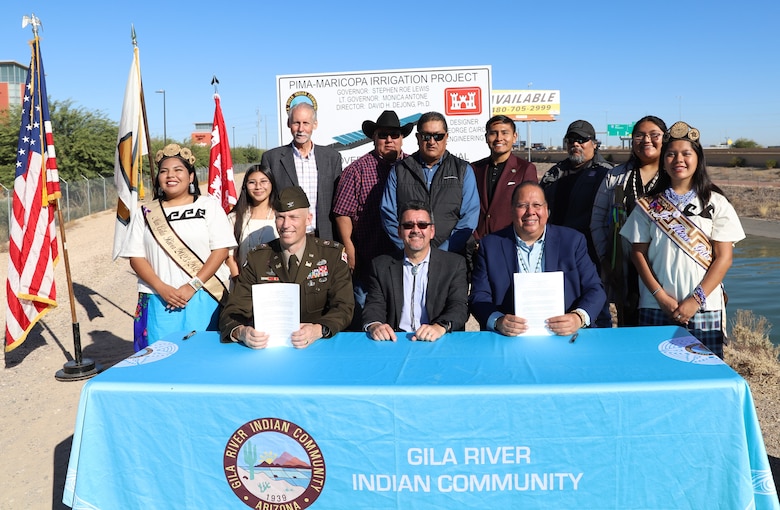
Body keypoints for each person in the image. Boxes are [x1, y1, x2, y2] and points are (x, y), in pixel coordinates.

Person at [620, 121, 745, 357]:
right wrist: (661, 297)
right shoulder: (649, 205)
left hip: (704, 306)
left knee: (704, 375)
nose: (679, 159)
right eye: (671, 154)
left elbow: (724, 258)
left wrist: (694, 301)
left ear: (698, 158)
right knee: (657, 372)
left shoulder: (715, 202)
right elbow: (638, 254)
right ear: (663, 160)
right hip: (655, 303)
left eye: (686, 153)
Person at [120, 143, 236, 351]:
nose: (170, 175)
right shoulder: (145, 212)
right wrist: (161, 288)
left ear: (191, 176)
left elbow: (220, 251)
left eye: (178, 170)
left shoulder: (208, 206)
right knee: (160, 357)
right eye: (164, 171)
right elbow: (136, 257)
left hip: (204, 295)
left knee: (205, 355)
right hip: (158, 297)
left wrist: (192, 285)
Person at [219, 186, 354, 349]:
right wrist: (241, 332)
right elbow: (233, 310)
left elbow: (344, 307)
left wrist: (318, 330)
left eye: (293, 217)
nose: (286, 224)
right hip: (269, 349)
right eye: (280, 217)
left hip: (319, 346)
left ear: (308, 219)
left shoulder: (331, 255)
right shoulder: (258, 259)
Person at [469, 182, 606, 337]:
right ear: (512, 211)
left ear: (547, 210)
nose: (530, 212)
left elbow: (595, 289)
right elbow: (479, 295)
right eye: (522, 205)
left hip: (566, 336)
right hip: (509, 338)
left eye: (537, 205)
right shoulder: (490, 245)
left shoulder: (572, 241)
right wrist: (498, 321)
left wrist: (578, 318)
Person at [332, 111, 414, 327]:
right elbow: (342, 213)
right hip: (368, 255)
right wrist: (349, 249)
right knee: (366, 314)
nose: (389, 140)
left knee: (404, 313)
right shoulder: (356, 171)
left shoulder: (413, 167)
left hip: (405, 255)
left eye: (394, 135)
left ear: (401, 138)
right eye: (383, 135)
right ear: (374, 137)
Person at [590, 116, 668, 326]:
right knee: (630, 325)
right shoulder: (615, 176)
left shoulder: (675, 177)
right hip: (626, 271)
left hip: (666, 269)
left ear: (665, 138)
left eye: (654, 135)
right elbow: (597, 222)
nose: (646, 140)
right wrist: (607, 260)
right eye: (640, 135)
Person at [541, 119, 614, 327]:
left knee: (596, 306)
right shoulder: (554, 173)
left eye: (582, 140)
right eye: (572, 139)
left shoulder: (606, 173)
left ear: (594, 143)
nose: (576, 144)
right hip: (557, 251)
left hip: (593, 253)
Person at [362, 201, 468, 342]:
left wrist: (439, 327)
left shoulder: (454, 264)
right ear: (399, 232)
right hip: (395, 341)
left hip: (438, 340)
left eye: (422, 225)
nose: (415, 230)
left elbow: (459, 306)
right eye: (408, 225)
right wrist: (375, 325)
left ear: (432, 231)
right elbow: (374, 305)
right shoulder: (381, 266)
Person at [380, 111, 479, 255]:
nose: (432, 142)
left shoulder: (463, 170)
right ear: (418, 137)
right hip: (409, 257)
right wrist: (408, 248)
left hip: (452, 258)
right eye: (426, 136)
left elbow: (469, 217)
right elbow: (388, 214)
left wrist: (444, 251)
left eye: (438, 136)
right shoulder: (399, 170)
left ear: (446, 137)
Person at [261, 102, 343, 240]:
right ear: (289, 123)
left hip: (325, 238)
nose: (301, 129)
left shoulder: (332, 157)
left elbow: (338, 200)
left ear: (314, 125)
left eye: (306, 123)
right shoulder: (272, 158)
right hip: (288, 238)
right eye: (296, 123)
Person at [471, 115, 537, 239]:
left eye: (504, 133)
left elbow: (529, 209)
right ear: (486, 137)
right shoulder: (475, 169)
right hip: (478, 243)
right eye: (493, 133)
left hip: (509, 242)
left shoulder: (525, 169)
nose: (499, 138)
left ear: (514, 137)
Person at [226, 164, 279, 277]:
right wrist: (240, 282)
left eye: (264, 181)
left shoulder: (281, 216)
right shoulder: (234, 218)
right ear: (245, 185)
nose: (258, 187)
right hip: (242, 284)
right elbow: (229, 256)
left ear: (272, 184)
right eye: (252, 182)